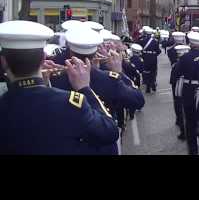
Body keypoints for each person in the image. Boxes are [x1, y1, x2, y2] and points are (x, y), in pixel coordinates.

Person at [0, 20, 118, 154]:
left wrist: (45, 85)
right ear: (43, 58)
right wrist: (85, 88)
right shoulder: (70, 104)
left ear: (3, 62)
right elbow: (110, 131)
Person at [49, 26, 145, 155]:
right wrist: (119, 72)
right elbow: (138, 100)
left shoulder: (53, 78)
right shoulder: (108, 79)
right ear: (95, 52)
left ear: (70, 51)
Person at [172, 32, 199, 154]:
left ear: (190, 43)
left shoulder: (184, 57)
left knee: (190, 122)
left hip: (188, 91)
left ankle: (193, 150)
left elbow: (177, 73)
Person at [171, 44, 190, 140]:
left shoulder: (176, 64)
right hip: (190, 88)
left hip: (180, 87)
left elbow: (173, 79)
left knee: (181, 108)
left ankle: (183, 130)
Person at [138, 26, 160, 93]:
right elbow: (158, 51)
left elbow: (139, 49)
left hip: (145, 57)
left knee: (146, 72)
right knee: (153, 72)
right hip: (153, 58)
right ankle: (153, 84)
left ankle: (147, 87)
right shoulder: (155, 41)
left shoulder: (142, 40)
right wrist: (154, 55)